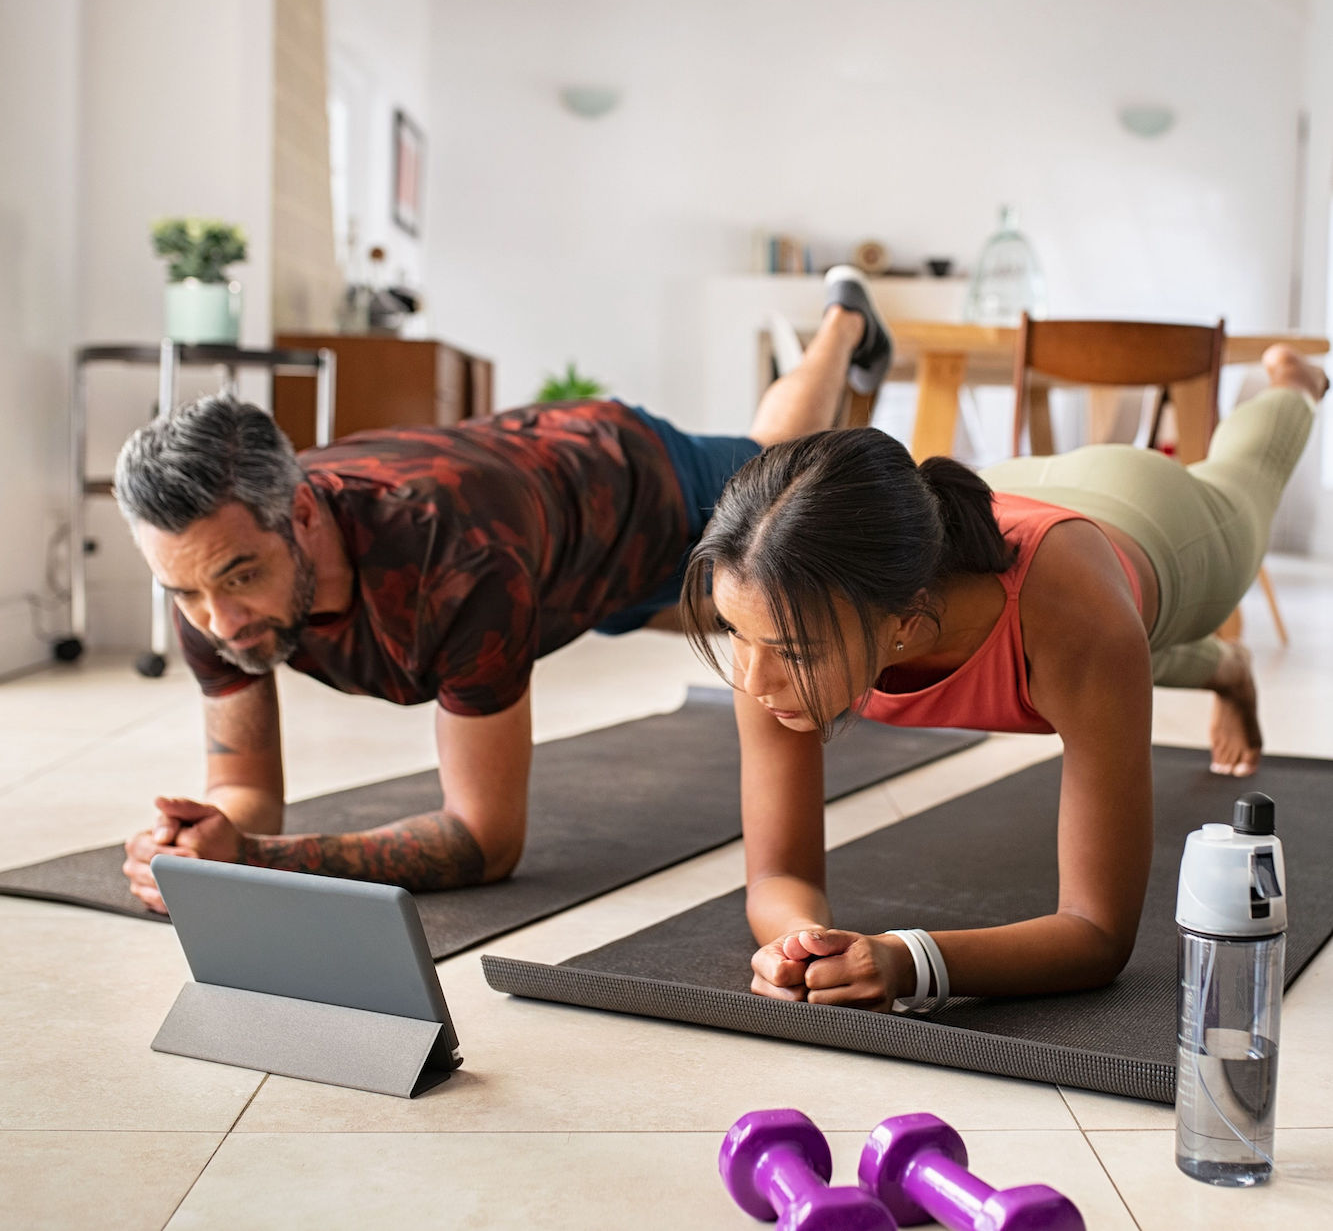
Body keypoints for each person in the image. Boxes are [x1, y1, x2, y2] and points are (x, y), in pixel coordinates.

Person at [115, 269, 894, 913]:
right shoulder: (209, 569)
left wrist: (254, 861)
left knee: (781, 463)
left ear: (304, 513)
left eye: (240, 577)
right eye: (183, 592)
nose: (217, 620)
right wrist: (203, 839)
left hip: (634, 489)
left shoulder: (454, 563)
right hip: (546, 560)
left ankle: (843, 323)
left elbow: (485, 839)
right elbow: (244, 787)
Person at [680, 308, 1327, 1014]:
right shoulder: (778, 603)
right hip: (1000, 496)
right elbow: (775, 872)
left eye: (790, 652)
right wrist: (804, 946)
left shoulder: (1078, 624)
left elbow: (1096, 932)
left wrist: (908, 961)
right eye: (733, 634)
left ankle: (1294, 384)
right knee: (1095, 675)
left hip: (1154, 518)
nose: (748, 678)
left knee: (1243, 482)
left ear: (904, 620)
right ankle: (1221, 668)